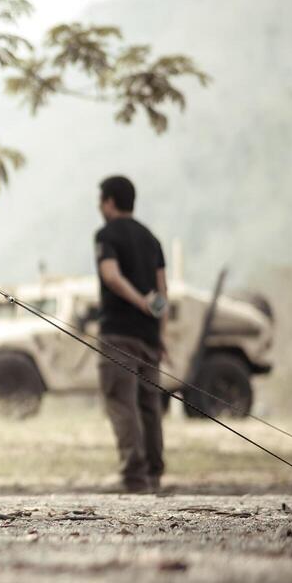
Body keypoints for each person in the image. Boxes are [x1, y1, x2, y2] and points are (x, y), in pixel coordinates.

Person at [94, 174, 168, 493]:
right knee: (149, 405)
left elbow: (110, 276)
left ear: (110, 202)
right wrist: (159, 332)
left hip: (119, 334)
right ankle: (153, 473)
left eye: (101, 200)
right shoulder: (152, 239)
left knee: (121, 403)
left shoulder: (106, 234)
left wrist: (138, 302)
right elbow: (163, 293)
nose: (100, 206)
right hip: (149, 337)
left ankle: (134, 477)